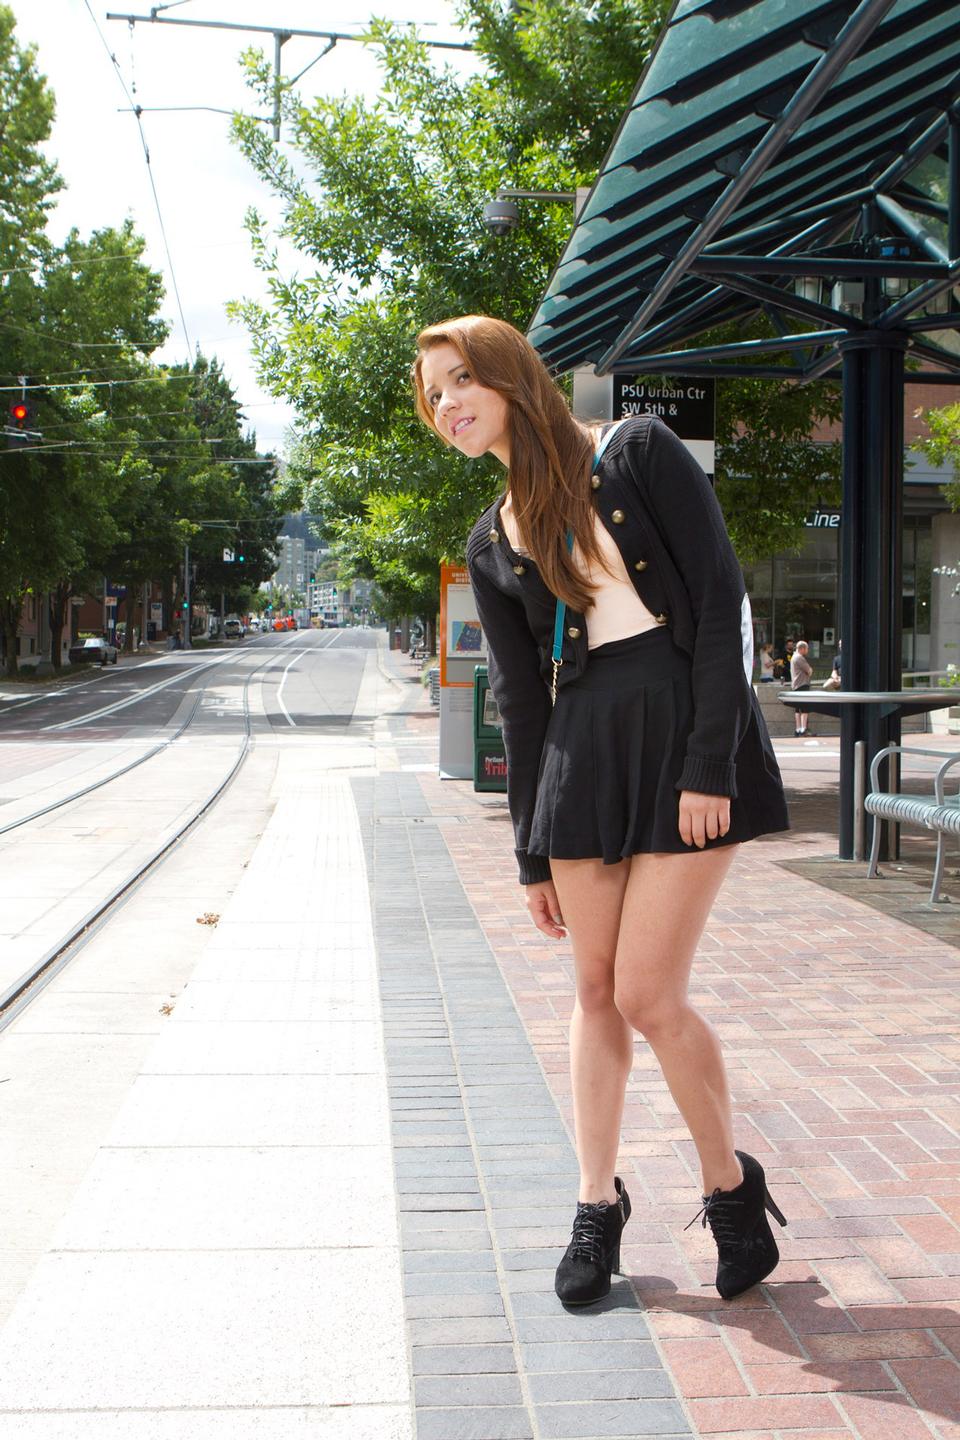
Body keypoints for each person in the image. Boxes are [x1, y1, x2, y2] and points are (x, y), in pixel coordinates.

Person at [413, 315, 790, 1307]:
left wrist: (710, 763)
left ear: (506, 374)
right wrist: (530, 850)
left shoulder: (637, 451)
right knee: (592, 991)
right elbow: (520, 702)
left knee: (648, 995)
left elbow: (715, 604)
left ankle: (729, 1188)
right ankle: (596, 1205)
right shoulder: (492, 538)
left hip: (680, 734)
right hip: (584, 753)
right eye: (432, 392)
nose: (445, 403)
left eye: (459, 380)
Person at [790, 639, 813, 736]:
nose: (807, 650)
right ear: (802, 648)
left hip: (795, 685)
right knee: (804, 708)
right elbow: (809, 671)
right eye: (807, 648)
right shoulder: (800, 658)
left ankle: (798, 729)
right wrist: (810, 670)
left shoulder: (793, 657)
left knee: (797, 709)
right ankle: (803, 729)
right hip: (802, 684)